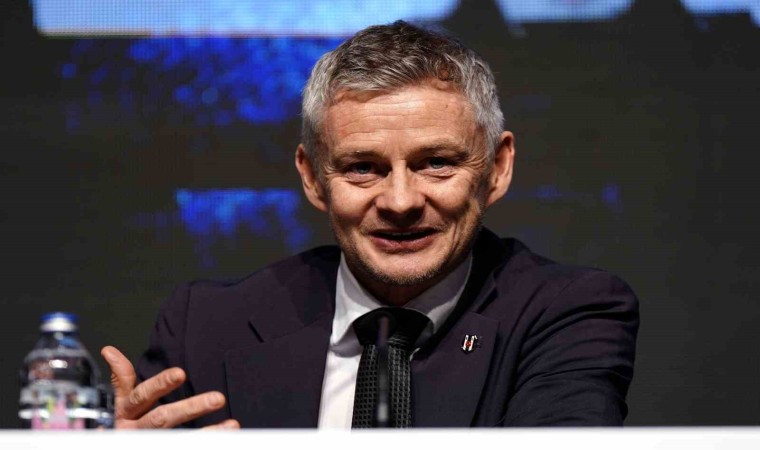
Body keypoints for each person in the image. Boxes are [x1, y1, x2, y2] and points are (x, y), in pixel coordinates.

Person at [101, 20, 638, 429]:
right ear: (313, 179)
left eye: (436, 163)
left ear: (496, 169)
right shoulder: (206, 326)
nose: (400, 202)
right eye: (363, 168)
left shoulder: (570, 312)